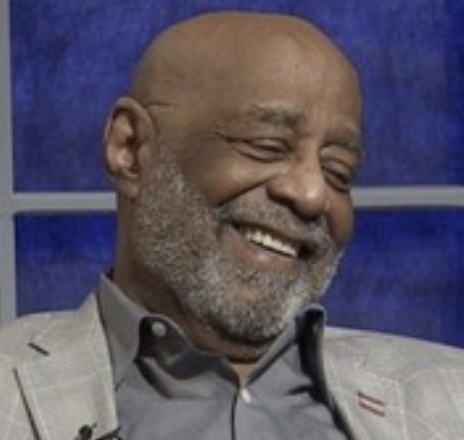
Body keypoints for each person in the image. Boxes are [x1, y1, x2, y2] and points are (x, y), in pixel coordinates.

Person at [1, 11, 463, 440]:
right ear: (131, 149)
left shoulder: (449, 396)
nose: (312, 193)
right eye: (267, 146)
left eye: (339, 171)